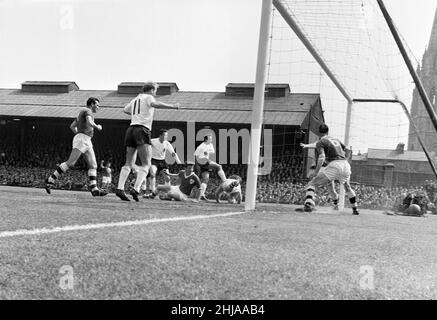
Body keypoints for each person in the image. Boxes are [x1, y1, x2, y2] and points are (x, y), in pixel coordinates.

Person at [115, 82, 180, 201]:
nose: (155, 93)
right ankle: (136, 189)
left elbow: (125, 110)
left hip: (131, 129)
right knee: (146, 163)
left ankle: (120, 188)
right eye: (155, 90)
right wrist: (173, 106)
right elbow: (155, 104)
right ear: (151, 89)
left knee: (128, 162)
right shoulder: (149, 97)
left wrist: (137, 113)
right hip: (142, 129)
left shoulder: (135, 99)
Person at [45, 97, 107, 197]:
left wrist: (78, 134)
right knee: (70, 163)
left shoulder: (81, 113)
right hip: (83, 139)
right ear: (91, 104)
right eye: (97, 105)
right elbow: (89, 122)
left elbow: (72, 126)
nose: (98, 107)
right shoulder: (88, 111)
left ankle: (94, 188)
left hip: (85, 139)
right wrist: (97, 127)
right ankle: (50, 180)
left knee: (93, 165)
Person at [296, 123, 359, 215]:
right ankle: (355, 209)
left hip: (334, 165)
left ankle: (308, 204)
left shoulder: (321, 142)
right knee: (347, 187)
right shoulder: (335, 139)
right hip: (345, 164)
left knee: (312, 183)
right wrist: (347, 160)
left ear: (318, 133)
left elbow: (321, 157)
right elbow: (348, 150)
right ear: (328, 131)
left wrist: (316, 172)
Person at [141, 129, 182, 198]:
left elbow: (173, 153)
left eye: (167, 135)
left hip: (162, 162)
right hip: (153, 160)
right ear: (160, 136)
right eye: (165, 135)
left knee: (168, 178)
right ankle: (153, 192)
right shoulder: (153, 141)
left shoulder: (167, 143)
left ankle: (167, 194)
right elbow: (145, 144)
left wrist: (178, 161)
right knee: (152, 174)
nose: (166, 137)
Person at [194, 133, 226, 200]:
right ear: (206, 139)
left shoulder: (210, 145)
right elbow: (195, 155)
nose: (211, 140)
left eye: (211, 139)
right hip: (203, 161)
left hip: (205, 161)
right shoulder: (201, 146)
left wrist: (207, 152)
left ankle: (201, 195)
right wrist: (197, 165)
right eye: (210, 139)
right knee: (219, 167)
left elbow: (212, 152)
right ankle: (225, 181)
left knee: (206, 179)